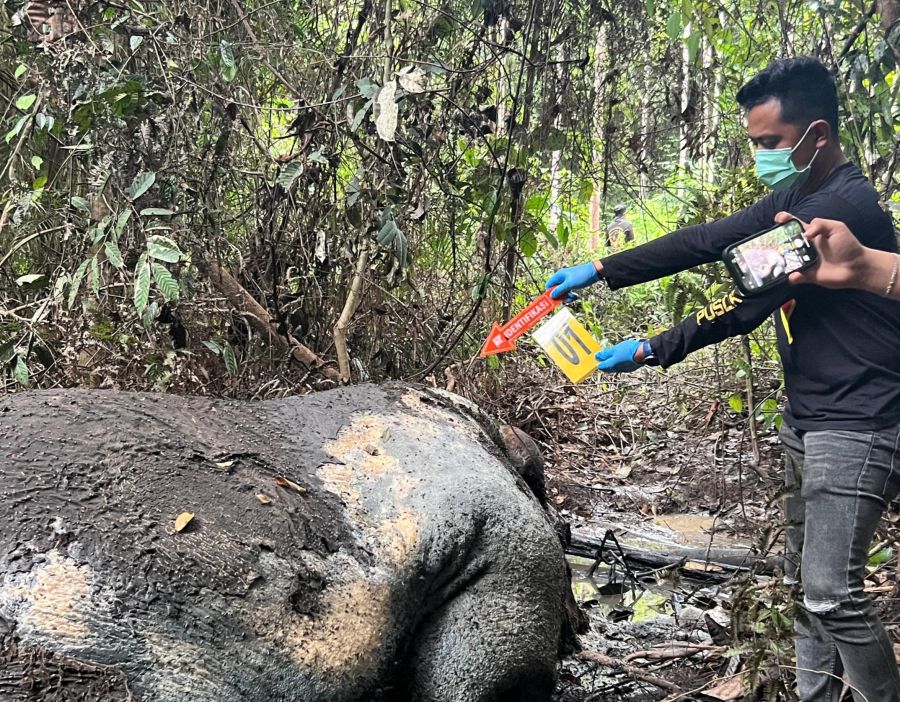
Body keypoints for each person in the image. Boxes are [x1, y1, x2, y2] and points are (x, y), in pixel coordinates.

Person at [545, 56, 900, 702]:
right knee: (805, 588)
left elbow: (743, 304)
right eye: (754, 142)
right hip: (810, 418)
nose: (760, 155)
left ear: (816, 136)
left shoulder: (837, 211)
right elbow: (709, 239)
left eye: (769, 143)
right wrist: (601, 267)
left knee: (832, 593)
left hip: (858, 424)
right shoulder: (795, 196)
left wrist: (652, 348)